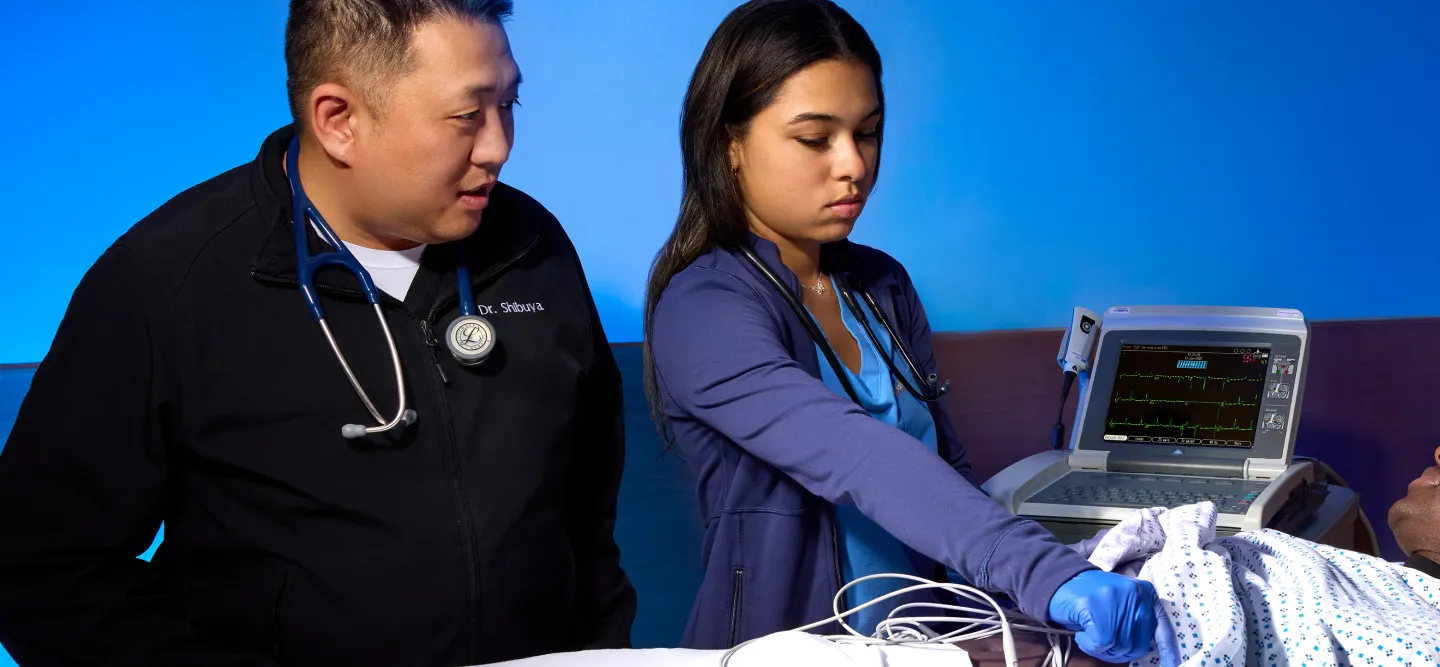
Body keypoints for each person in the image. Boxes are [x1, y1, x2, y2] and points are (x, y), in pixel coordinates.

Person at [0, 1, 634, 665]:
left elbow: (586, 512)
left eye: (510, 105)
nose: (498, 146)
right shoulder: (167, 282)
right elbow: (48, 567)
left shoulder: (535, 247)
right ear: (340, 121)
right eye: (468, 115)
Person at [642, 0, 1164, 663]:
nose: (853, 166)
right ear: (730, 144)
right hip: (789, 652)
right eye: (814, 138)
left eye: (869, 132)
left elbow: (945, 474)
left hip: (933, 644)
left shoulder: (882, 285)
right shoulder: (703, 306)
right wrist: (1046, 573)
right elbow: (859, 454)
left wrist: (1047, 586)